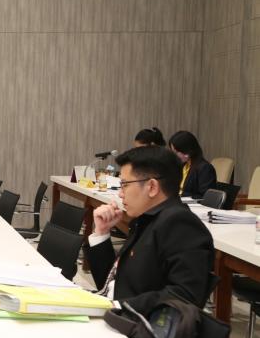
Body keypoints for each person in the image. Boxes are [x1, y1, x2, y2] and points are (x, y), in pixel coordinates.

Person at [84, 146, 214, 309]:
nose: (120, 194)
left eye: (124, 185)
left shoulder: (180, 225)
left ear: (152, 187)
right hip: (118, 312)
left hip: (134, 321)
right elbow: (114, 284)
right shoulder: (148, 218)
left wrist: (117, 306)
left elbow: (184, 297)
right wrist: (101, 233)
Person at [168, 130, 217, 198]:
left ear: (187, 151)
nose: (174, 155)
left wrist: (180, 194)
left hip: (191, 204)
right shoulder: (183, 165)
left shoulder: (205, 168)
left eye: (176, 152)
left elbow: (205, 196)